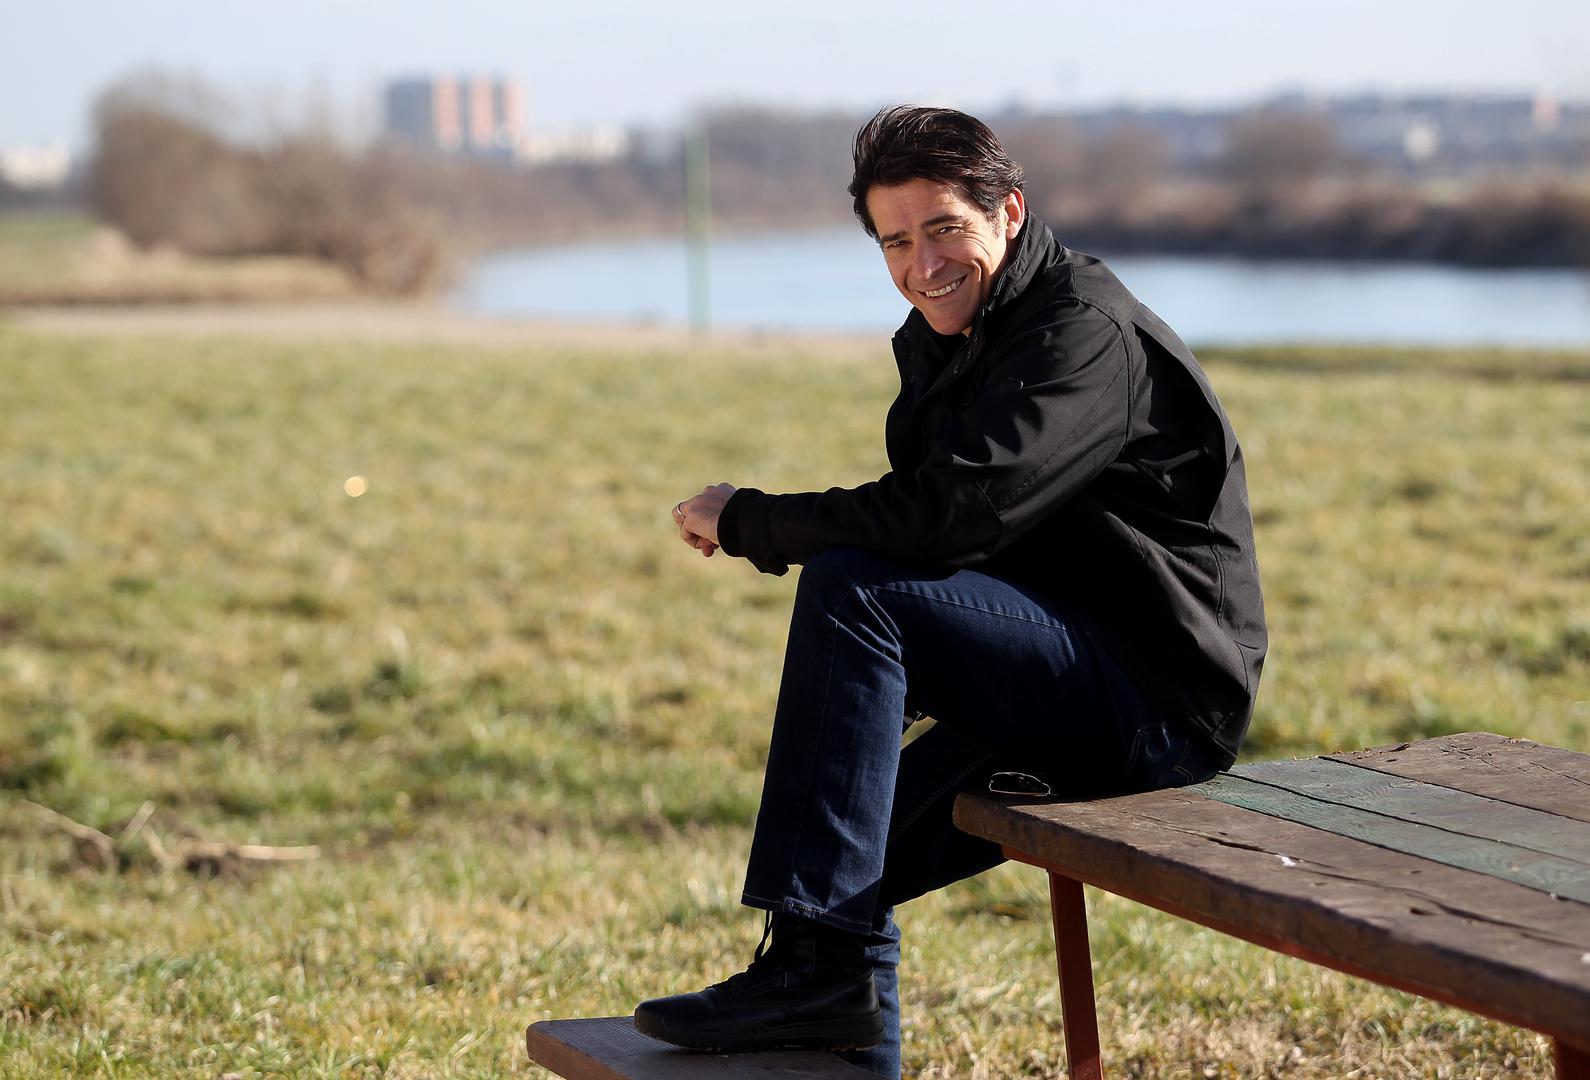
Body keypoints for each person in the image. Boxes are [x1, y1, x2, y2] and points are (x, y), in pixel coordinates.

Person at [634, 105, 1267, 1078]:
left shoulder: (1081, 333)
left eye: (943, 229)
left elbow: (951, 517)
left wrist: (753, 521)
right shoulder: (951, 333)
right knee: (853, 865)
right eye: (895, 241)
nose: (921, 264)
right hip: (1053, 667)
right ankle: (818, 983)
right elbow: (937, 540)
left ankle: (812, 975)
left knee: (855, 591)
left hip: (1157, 701)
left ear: (1008, 212)